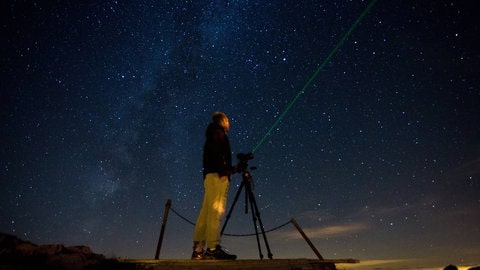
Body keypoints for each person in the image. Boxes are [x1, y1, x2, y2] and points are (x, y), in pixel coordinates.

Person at [191, 112, 237, 260]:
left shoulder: (212, 133)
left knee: (206, 212)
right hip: (217, 176)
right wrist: (223, 171)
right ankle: (213, 248)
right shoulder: (218, 132)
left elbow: (213, 154)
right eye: (228, 120)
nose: (229, 122)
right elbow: (217, 153)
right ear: (222, 120)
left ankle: (198, 249)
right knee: (216, 211)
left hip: (211, 176)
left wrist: (232, 169)